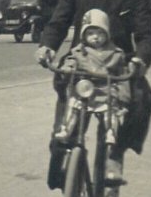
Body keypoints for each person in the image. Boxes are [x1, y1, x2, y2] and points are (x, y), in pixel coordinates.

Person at [35, 0, 151, 187]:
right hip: (82, 62)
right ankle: (60, 155)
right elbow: (59, 21)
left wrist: (140, 60)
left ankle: (116, 154)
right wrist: (46, 47)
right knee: (64, 119)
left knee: (141, 101)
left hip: (118, 64)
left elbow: (147, 34)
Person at [53, 9, 131, 146]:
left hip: (105, 90)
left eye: (100, 33)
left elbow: (122, 76)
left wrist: (123, 98)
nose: (95, 37)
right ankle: (66, 129)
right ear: (84, 36)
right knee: (72, 104)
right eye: (90, 33)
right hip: (85, 90)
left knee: (111, 111)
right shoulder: (79, 51)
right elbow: (71, 61)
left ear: (107, 34)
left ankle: (111, 132)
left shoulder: (116, 53)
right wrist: (68, 68)